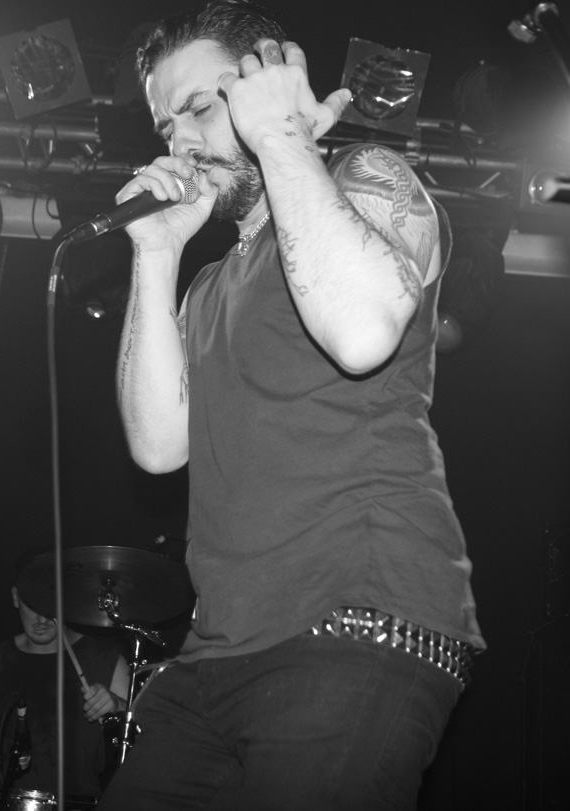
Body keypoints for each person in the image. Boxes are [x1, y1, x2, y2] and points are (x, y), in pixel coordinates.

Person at [97, 1, 486, 809]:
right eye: (166, 126)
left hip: (357, 622)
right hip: (213, 656)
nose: (182, 142)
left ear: (266, 82)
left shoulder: (368, 178)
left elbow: (362, 331)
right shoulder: (209, 285)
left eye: (200, 108)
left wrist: (281, 138)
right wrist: (156, 254)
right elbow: (158, 445)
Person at [0, 560, 129, 801]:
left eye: (51, 604)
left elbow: (143, 728)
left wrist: (118, 704)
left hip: (72, 802)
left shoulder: (105, 658)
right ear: (16, 597)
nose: (41, 618)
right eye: (32, 603)